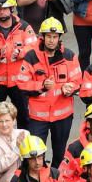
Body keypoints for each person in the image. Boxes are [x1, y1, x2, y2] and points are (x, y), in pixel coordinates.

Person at [19, 18, 83, 163]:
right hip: (38, 118)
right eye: (48, 36)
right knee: (35, 155)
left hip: (63, 116)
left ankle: (55, 181)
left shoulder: (69, 56)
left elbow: (78, 80)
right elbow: (22, 83)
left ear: (59, 38)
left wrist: (70, 88)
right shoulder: (31, 56)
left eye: (55, 37)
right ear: (42, 37)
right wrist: (41, 85)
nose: (51, 40)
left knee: (59, 155)